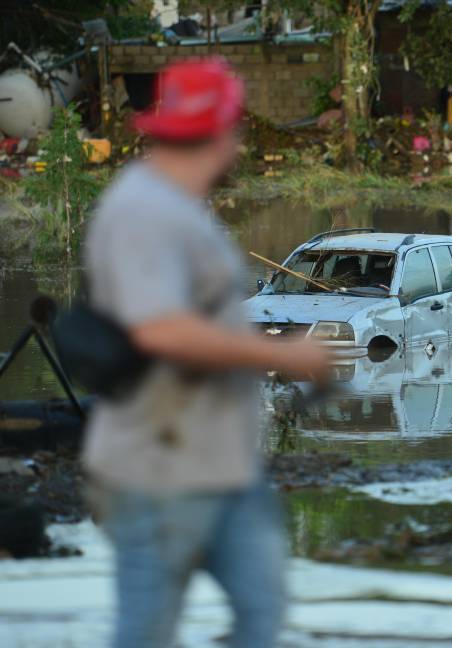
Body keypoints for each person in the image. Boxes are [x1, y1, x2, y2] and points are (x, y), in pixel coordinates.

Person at [83, 58, 329, 648]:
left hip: (223, 465)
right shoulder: (141, 210)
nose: (240, 144)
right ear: (217, 133)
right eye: (236, 130)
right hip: (157, 470)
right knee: (146, 634)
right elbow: (159, 331)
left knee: (262, 611)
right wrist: (286, 356)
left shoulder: (185, 206)